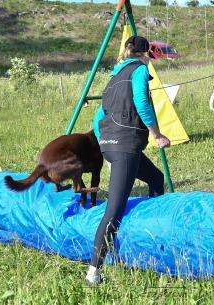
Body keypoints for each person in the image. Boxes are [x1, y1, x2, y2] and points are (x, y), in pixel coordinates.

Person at [85, 36, 170, 285]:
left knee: (156, 178)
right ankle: (93, 272)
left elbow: (97, 119)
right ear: (145, 54)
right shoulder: (140, 70)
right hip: (125, 148)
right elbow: (142, 103)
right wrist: (157, 135)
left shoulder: (113, 78)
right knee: (114, 209)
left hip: (112, 147)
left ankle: (152, 231)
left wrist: (106, 146)